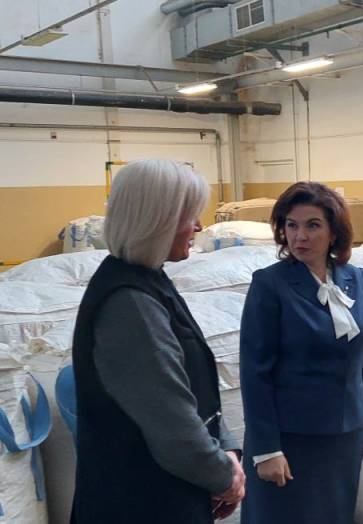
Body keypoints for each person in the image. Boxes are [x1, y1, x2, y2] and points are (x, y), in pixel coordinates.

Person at [71, 159, 245, 523]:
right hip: (141, 503)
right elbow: (171, 423)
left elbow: (192, 389)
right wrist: (224, 476)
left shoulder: (151, 281)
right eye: (190, 216)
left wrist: (227, 450)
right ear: (157, 220)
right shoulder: (129, 304)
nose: (199, 226)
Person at [239, 182, 363, 523]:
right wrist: (266, 448)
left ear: (334, 232)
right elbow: (255, 372)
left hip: (346, 438)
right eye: (291, 225)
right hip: (290, 440)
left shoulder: (358, 279)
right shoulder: (270, 284)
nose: (299, 236)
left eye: (312, 225)